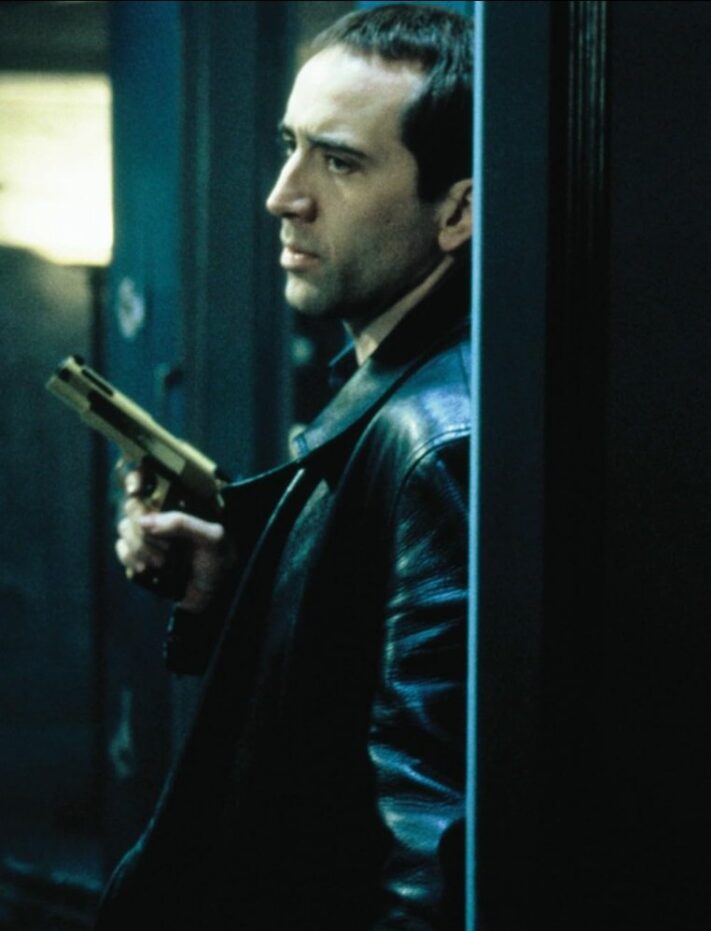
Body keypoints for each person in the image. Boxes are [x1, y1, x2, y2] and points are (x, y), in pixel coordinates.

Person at [97, 5, 472, 928]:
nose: (283, 195)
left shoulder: (436, 433)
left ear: (458, 211)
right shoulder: (396, 392)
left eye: (338, 162)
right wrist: (231, 593)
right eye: (288, 146)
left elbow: (430, 845)